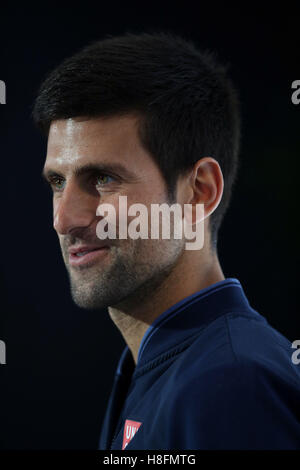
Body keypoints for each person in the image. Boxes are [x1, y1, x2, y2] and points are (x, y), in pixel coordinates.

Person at [33, 32, 300, 450]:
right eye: (57, 182)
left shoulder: (232, 384)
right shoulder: (168, 367)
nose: (64, 219)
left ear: (199, 191)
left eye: (103, 178)